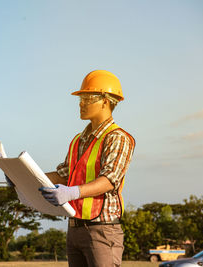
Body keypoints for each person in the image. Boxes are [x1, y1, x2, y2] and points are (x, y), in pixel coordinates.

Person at [40, 70, 135, 267]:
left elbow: (109, 180)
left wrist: (73, 192)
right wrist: (26, 176)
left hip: (102, 230)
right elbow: (63, 175)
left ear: (106, 101)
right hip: (75, 228)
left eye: (87, 98)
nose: (81, 103)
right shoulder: (77, 140)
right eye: (81, 98)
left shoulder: (117, 137)